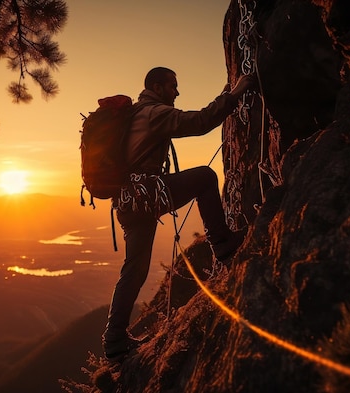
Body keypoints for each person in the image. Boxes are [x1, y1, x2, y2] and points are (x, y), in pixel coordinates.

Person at [102, 67, 256, 362]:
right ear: (158, 87)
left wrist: (225, 97)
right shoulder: (153, 113)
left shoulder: (136, 114)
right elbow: (198, 123)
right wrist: (234, 95)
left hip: (128, 201)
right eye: (173, 86)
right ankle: (223, 245)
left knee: (134, 269)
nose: (177, 91)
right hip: (146, 194)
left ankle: (114, 340)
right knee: (205, 178)